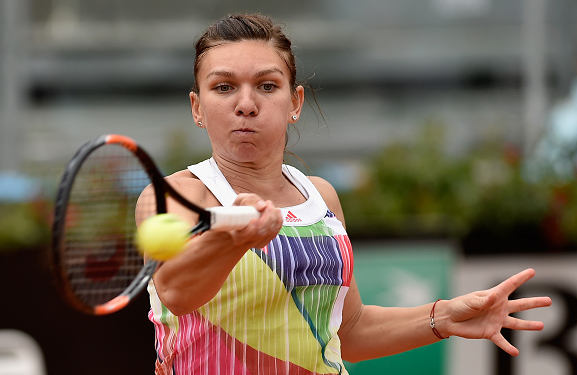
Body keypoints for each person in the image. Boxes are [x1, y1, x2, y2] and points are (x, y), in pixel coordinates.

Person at [137, 13, 552, 375]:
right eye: (224, 87)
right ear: (197, 107)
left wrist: (442, 316)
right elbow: (177, 291)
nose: (246, 104)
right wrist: (232, 238)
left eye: (267, 86)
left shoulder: (321, 196)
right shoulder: (177, 195)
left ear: (294, 101)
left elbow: (350, 332)